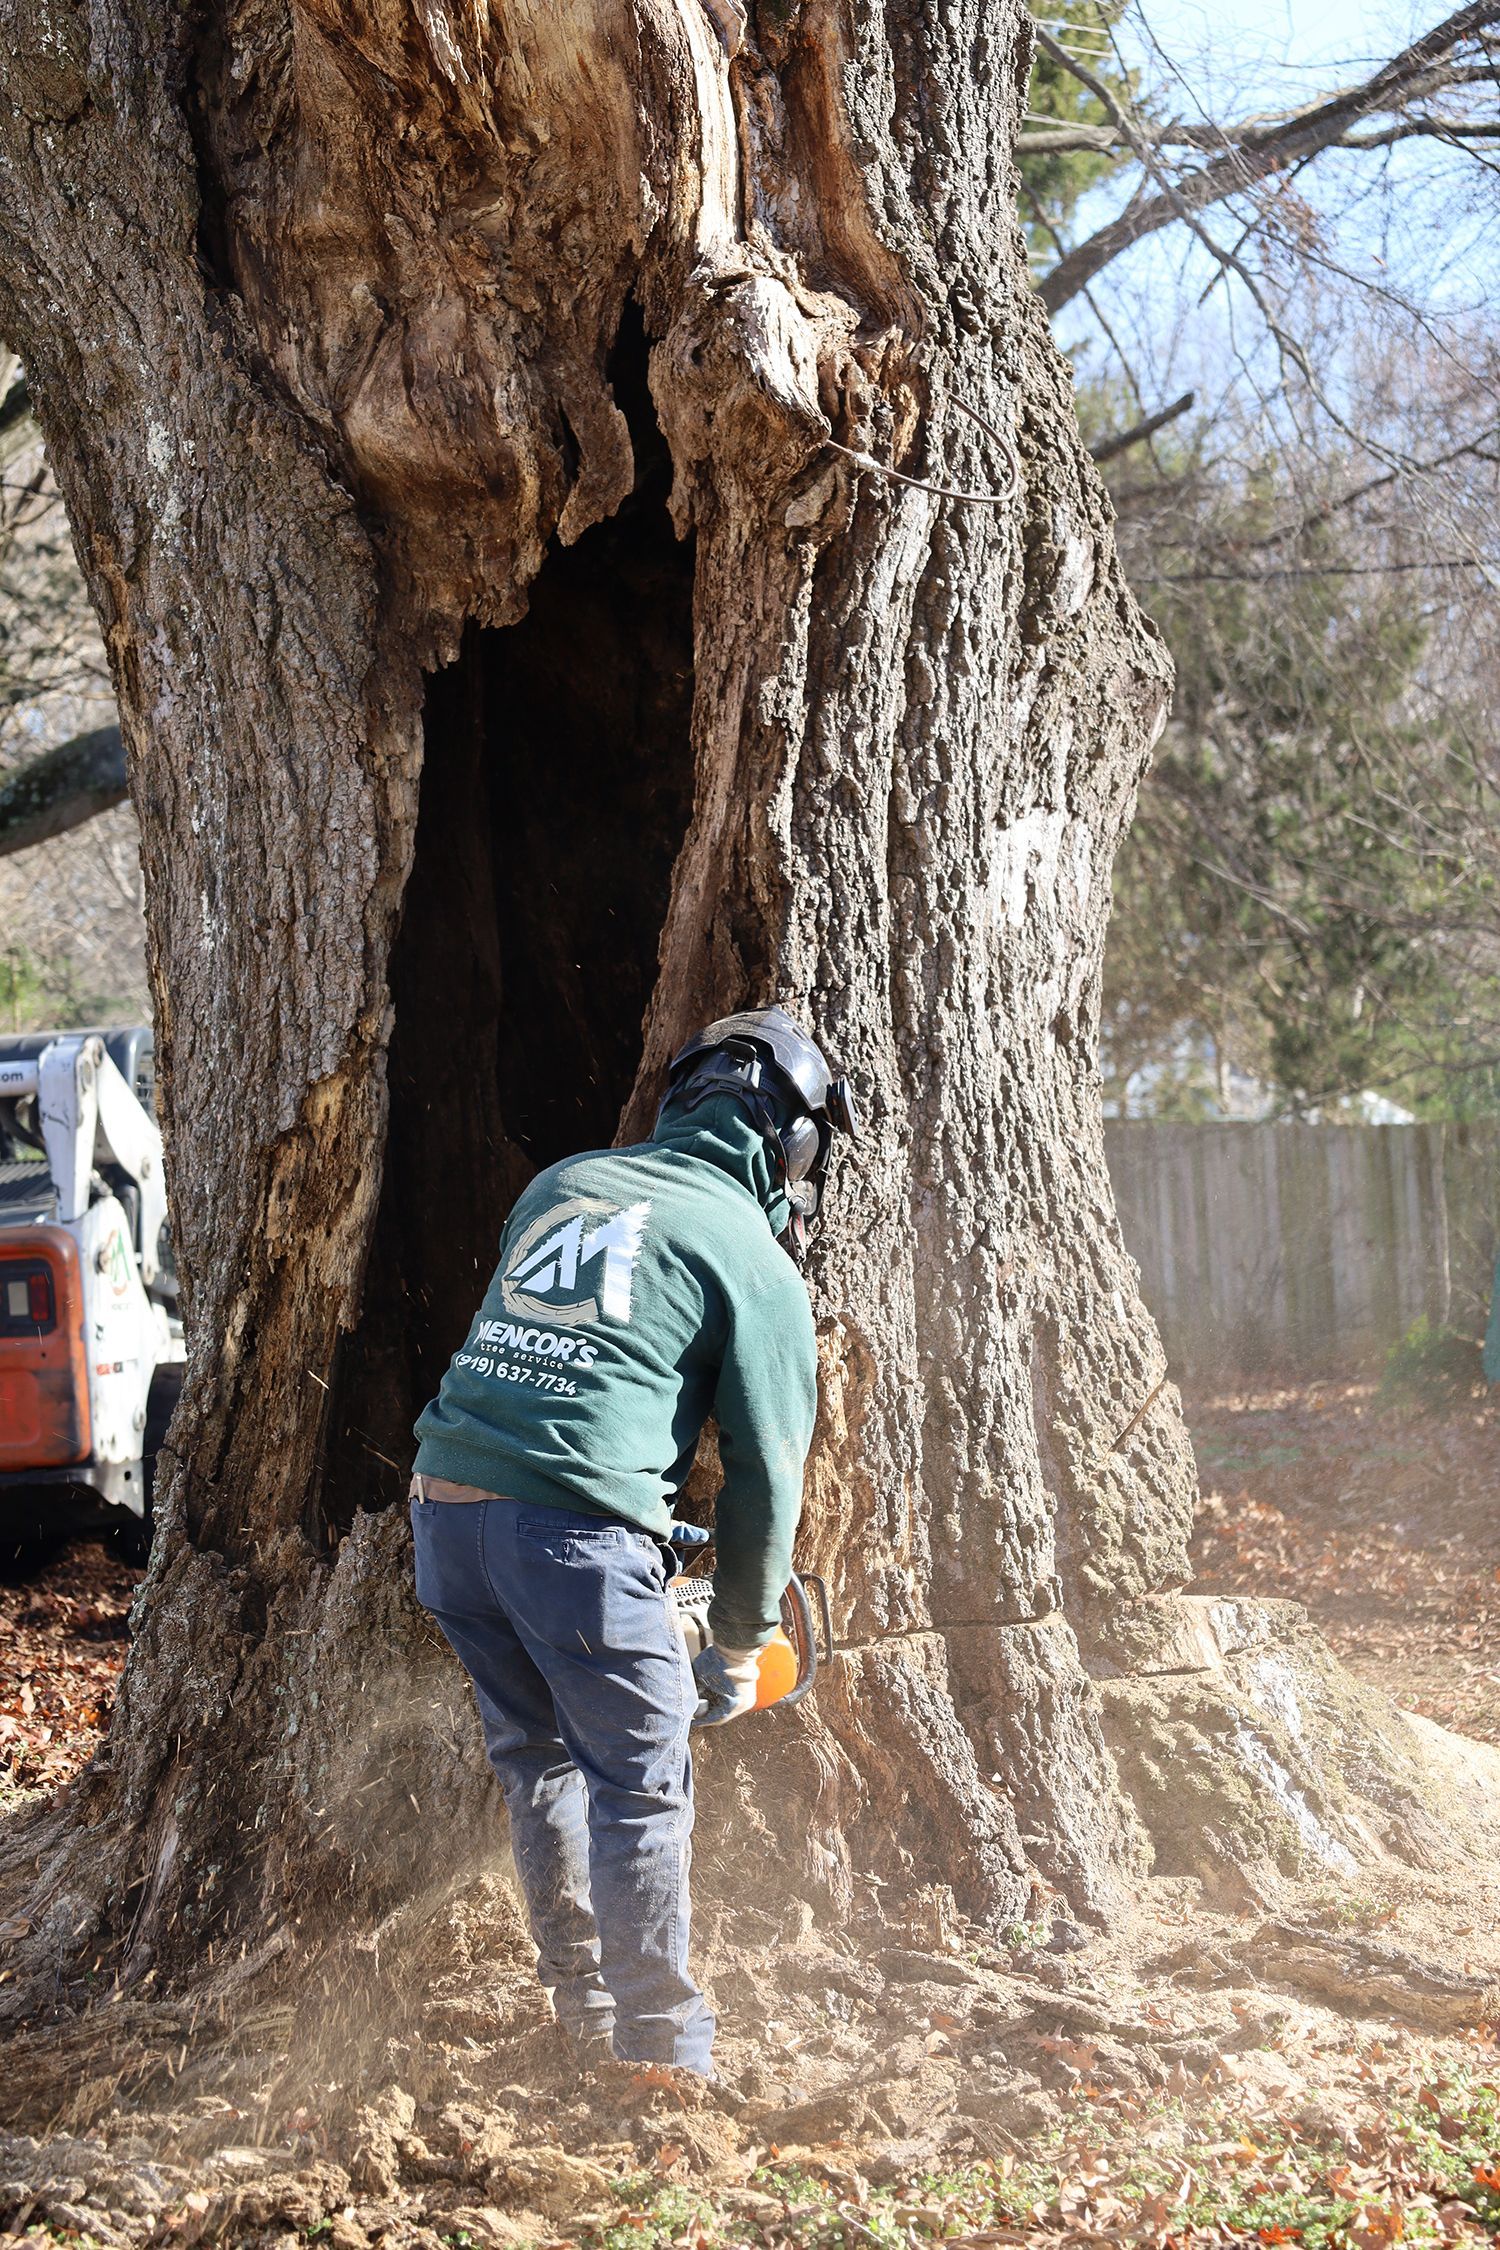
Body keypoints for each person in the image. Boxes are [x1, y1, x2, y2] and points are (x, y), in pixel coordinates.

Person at [408, 1006, 856, 2078]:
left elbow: (564, 1373)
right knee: (642, 1781)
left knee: (539, 1761)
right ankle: (662, 2053)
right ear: (794, 1146)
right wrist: (740, 1644)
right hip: (567, 1546)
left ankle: (585, 2012)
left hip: (445, 1516)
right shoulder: (753, 1254)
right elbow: (765, 1475)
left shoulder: (561, 1184)